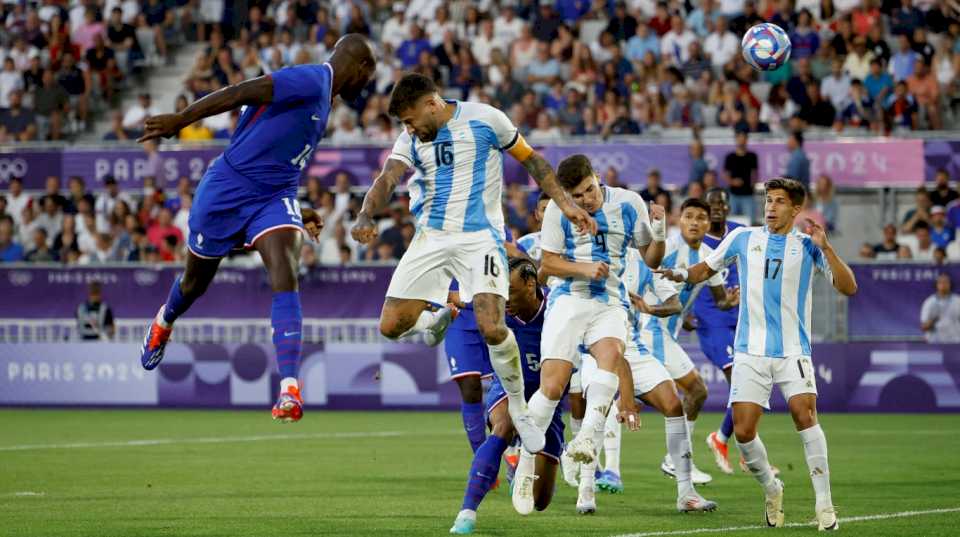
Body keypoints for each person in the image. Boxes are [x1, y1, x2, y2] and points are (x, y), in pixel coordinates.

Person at [350, 73, 595, 455]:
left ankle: (518, 408)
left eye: (410, 119)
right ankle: (436, 320)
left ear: (432, 103)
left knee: (492, 326)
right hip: (431, 237)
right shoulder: (410, 140)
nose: (408, 127)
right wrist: (366, 214)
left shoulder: (486, 119)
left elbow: (533, 162)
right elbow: (388, 177)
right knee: (390, 326)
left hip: (481, 238)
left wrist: (566, 203)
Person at [135, 34, 376, 423]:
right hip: (226, 191)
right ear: (361, 67)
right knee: (194, 284)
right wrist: (181, 120)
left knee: (286, 271)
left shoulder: (323, 100)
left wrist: (299, 210)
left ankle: (289, 390)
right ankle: (164, 321)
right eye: (370, 76)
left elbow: (281, 161)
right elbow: (242, 92)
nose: (369, 86)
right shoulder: (313, 79)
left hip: (272, 197)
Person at [516, 155, 715, 517]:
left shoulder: (628, 204)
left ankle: (681, 489)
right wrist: (584, 268)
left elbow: (652, 259)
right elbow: (548, 264)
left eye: (590, 190)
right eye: (578, 195)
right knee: (554, 389)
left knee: (665, 396)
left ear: (597, 178)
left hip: (613, 311)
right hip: (570, 303)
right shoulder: (559, 213)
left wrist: (657, 229)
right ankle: (529, 466)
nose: (587, 199)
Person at [659, 177, 857, 531]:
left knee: (804, 414)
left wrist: (826, 248)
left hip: (792, 350)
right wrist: (674, 273)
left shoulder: (807, 246)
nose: (771, 207)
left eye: (780, 201)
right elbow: (704, 269)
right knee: (744, 431)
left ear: (796, 209)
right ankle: (772, 487)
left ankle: (825, 504)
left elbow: (849, 287)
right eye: (768, 200)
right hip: (749, 350)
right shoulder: (743, 238)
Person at [449, 257, 563, 534]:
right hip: (510, 389)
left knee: (540, 501)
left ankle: (524, 459)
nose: (504, 299)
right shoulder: (498, 311)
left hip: (548, 400)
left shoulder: (559, 309)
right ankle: (466, 513)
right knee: (504, 425)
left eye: (510, 291)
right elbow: (460, 298)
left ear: (530, 284)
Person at [634, 198, 739, 484]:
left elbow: (719, 301)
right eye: (688, 216)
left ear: (708, 224)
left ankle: (676, 460)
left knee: (679, 394)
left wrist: (730, 301)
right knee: (696, 390)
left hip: (667, 332)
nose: (694, 222)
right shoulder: (665, 248)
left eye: (700, 218)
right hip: (650, 328)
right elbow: (643, 273)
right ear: (678, 221)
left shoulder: (710, 257)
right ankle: (678, 460)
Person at [723, 130, 759, 222]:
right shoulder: (730, 157)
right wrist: (732, 182)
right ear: (736, 139)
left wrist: (753, 185)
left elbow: (755, 173)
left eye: (744, 138)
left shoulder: (752, 156)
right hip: (733, 195)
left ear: (747, 140)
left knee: (750, 221)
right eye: (739, 138)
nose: (741, 140)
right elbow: (726, 175)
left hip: (748, 194)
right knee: (731, 221)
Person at [921, 273, 960, 343]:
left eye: (946, 282)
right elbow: (924, 327)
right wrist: (933, 320)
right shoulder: (930, 302)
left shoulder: (957, 301)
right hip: (936, 343)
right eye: (940, 282)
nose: (943, 284)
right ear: (936, 285)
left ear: (950, 284)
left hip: (955, 342)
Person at [516, 191, 550, 262]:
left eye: (554, 210)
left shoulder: (574, 244)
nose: (549, 214)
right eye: (544, 209)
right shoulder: (522, 244)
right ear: (537, 215)